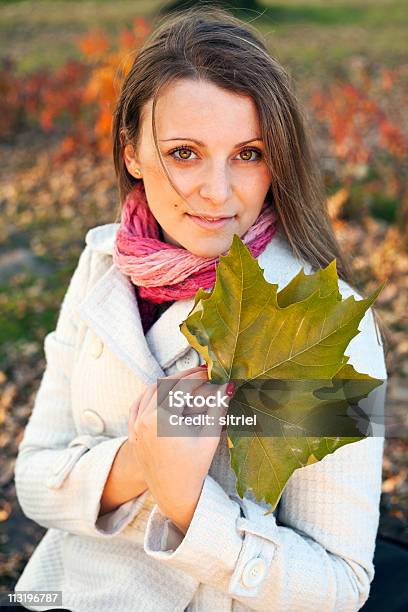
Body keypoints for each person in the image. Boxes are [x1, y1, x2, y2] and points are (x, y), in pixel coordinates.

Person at [12, 6, 391, 612]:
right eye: (184, 152)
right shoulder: (103, 264)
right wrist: (143, 459)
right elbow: (34, 482)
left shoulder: (320, 322)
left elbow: (340, 587)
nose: (218, 192)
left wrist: (190, 508)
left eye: (248, 154)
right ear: (132, 151)